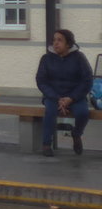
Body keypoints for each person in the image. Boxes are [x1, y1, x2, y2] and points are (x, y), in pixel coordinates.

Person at [35, 27, 93, 156]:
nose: (55, 43)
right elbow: (41, 81)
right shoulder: (46, 59)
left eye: (60, 40)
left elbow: (87, 80)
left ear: (68, 44)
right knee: (50, 112)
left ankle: (76, 135)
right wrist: (57, 98)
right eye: (54, 40)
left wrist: (71, 98)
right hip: (53, 97)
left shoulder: (79, 58)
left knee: (83, 113)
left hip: (75, 97)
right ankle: (46, 144)